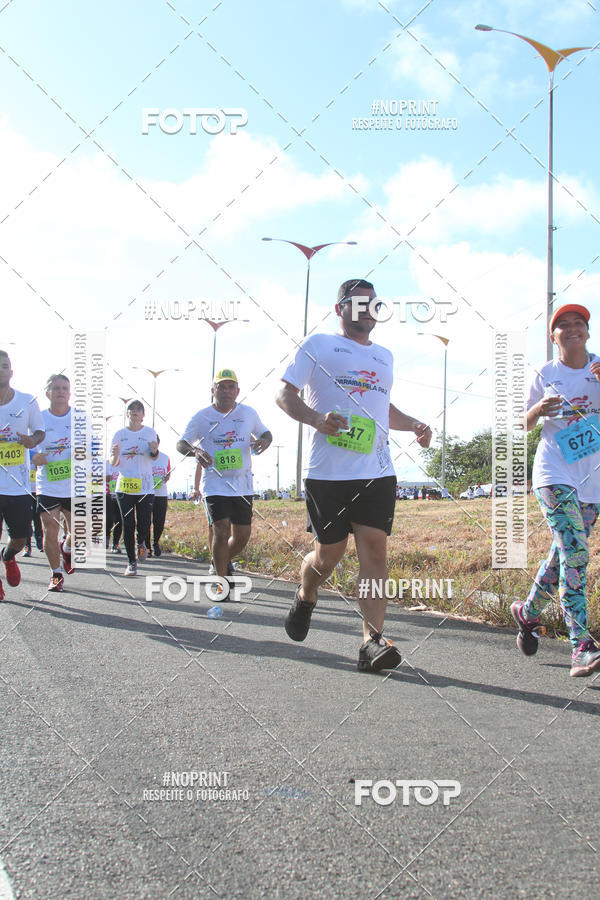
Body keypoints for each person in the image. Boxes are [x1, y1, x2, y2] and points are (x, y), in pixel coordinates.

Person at [276, 278, 431, 673]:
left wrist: (413, 423)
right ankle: (307, 592)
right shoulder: (318, 346)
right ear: (339, 308)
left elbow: (382, 408)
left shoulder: (385, 357)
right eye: (356, 303)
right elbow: (284, 394)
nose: (365, 309)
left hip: (377, 471)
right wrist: (315, 418)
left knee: (375, 553)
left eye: (372, 303)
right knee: (328, 555)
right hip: (327, 474)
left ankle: (371, 642)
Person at [512, 304, 600, 677]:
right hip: (553, 473)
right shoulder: (545, 374)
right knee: (576, 553)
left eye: (578, 322)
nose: (571, 328)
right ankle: (580, 645)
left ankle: (527, 613)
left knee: (561, 556)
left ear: (587, 331)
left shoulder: (599, 370)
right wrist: (538, 411)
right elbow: (520, 423)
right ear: (554, 337)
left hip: (592, 479)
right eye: (562, 325)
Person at [177, 368, 272, 590]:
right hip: (214, 484)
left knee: (242, 537)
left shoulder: (248, 413)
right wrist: (196, 452)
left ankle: (219, 559)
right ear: (213, 391)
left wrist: (264, 442)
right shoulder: (202, 417)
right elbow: (181, 443)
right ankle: (221, 582)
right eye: (221, 387)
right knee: (221, 529)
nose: (226, 391)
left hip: (242, 485)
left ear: (238, 391)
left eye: (231, 387)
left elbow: (266, 433)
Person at [0, 350, 45, 600]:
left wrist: (31, 440)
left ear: (11, 372)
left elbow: (40, 432)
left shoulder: (27, 401)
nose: (0, 370)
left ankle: (8, 557)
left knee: (20, 538)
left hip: (17, 485)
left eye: (4, 366)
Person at [31, 375, 79, 591]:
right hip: (48, 484)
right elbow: (29, 452)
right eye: (56, 388)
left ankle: (67, 548)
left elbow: (94, 447)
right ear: (48, 393)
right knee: (50, 530)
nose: (61, 392)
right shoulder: (38, 420)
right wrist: (38, 457)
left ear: (69, 393)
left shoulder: (80, 418)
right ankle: (56, 575)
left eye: (64, 388)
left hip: (74, 485)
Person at [110, 400, 158, 576]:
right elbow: (113, 462)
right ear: (127, 414)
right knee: (128, 524)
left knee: (144, 524)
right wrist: (114, 455)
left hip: (145, 486)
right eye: (131, 410)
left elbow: (154, 457)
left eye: (138, 410)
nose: (135, 412)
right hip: (125, 487)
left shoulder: (150, 432)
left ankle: (142, 542)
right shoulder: (119, 434)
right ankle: (131, 562)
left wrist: (155, 451)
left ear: (143, 414)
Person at [149, 443, 170, 557]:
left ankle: (155, 542)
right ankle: (146, 545)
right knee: (145, 521)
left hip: (161, 493)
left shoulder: (165, 457)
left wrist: (166, 477)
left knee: (159, 522)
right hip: (146, 493)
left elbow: (168, 473)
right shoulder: (143, 456)